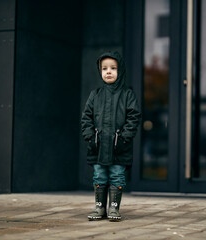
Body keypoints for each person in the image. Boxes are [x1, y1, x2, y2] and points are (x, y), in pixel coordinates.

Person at [81, 51, 141, 221]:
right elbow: (86, 118)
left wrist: (124, 138)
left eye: (113, 68)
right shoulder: (95, 95)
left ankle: (114, 208)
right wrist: (90, 137)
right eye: (104, 68)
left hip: (119, 147)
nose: (108, 72)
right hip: (98, 146)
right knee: (99, 175)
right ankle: (99, 208)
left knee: (117, 175)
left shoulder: (127, 94)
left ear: (120, 70)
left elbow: (133, 116)